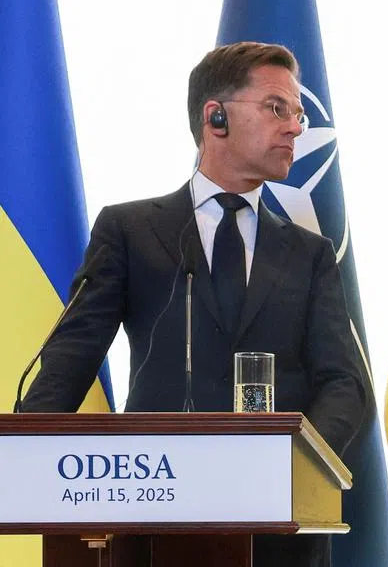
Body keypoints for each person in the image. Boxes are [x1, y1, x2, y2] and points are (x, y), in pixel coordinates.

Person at [23, 42, 367, 567]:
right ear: (217, 116)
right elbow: (72, 356)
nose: (296, 127)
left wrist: (296, 468)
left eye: (298, 114)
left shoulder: (310, 253)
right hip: (152, 524)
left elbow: (344, 383)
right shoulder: (132, 230)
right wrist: (28, 456)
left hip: (278, 538)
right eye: (278, 108)